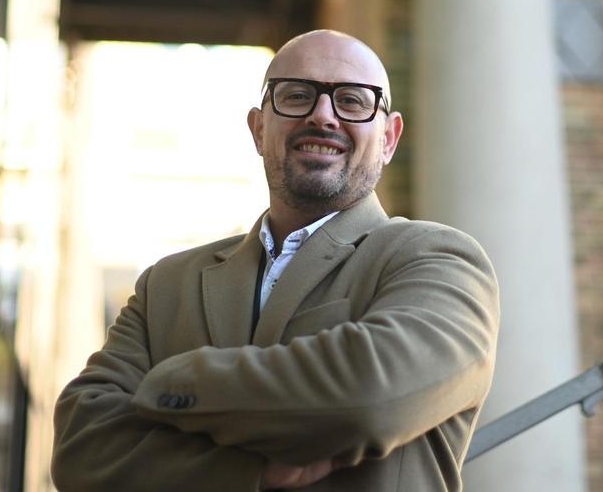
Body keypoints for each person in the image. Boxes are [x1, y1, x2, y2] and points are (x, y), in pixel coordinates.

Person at [52, 30, 500, 491]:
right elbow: (81, 448)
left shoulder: (438, 261)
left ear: (388, 138)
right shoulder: (165, 285)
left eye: (351, 100)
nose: (322, 116)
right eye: (297, 95)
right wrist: (253, 473)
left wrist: (170, 382)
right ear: (258, 129)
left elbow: (370, 399)